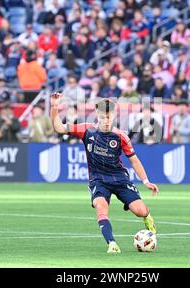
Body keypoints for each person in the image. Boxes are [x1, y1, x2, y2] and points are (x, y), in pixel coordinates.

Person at [50, 95, 159, 253]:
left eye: (108, 117)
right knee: (101, 207)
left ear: (114, 115)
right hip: (98, 180)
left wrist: (146, 181)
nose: (106, 120)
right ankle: (112, 244)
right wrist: (54, 107)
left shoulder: (121, 136)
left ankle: (147, 217)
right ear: (96, 114)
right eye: (102, 117)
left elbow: (134, 160)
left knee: (140, 210)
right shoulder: (86, 129)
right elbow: (59, 128)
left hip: (120, 179)